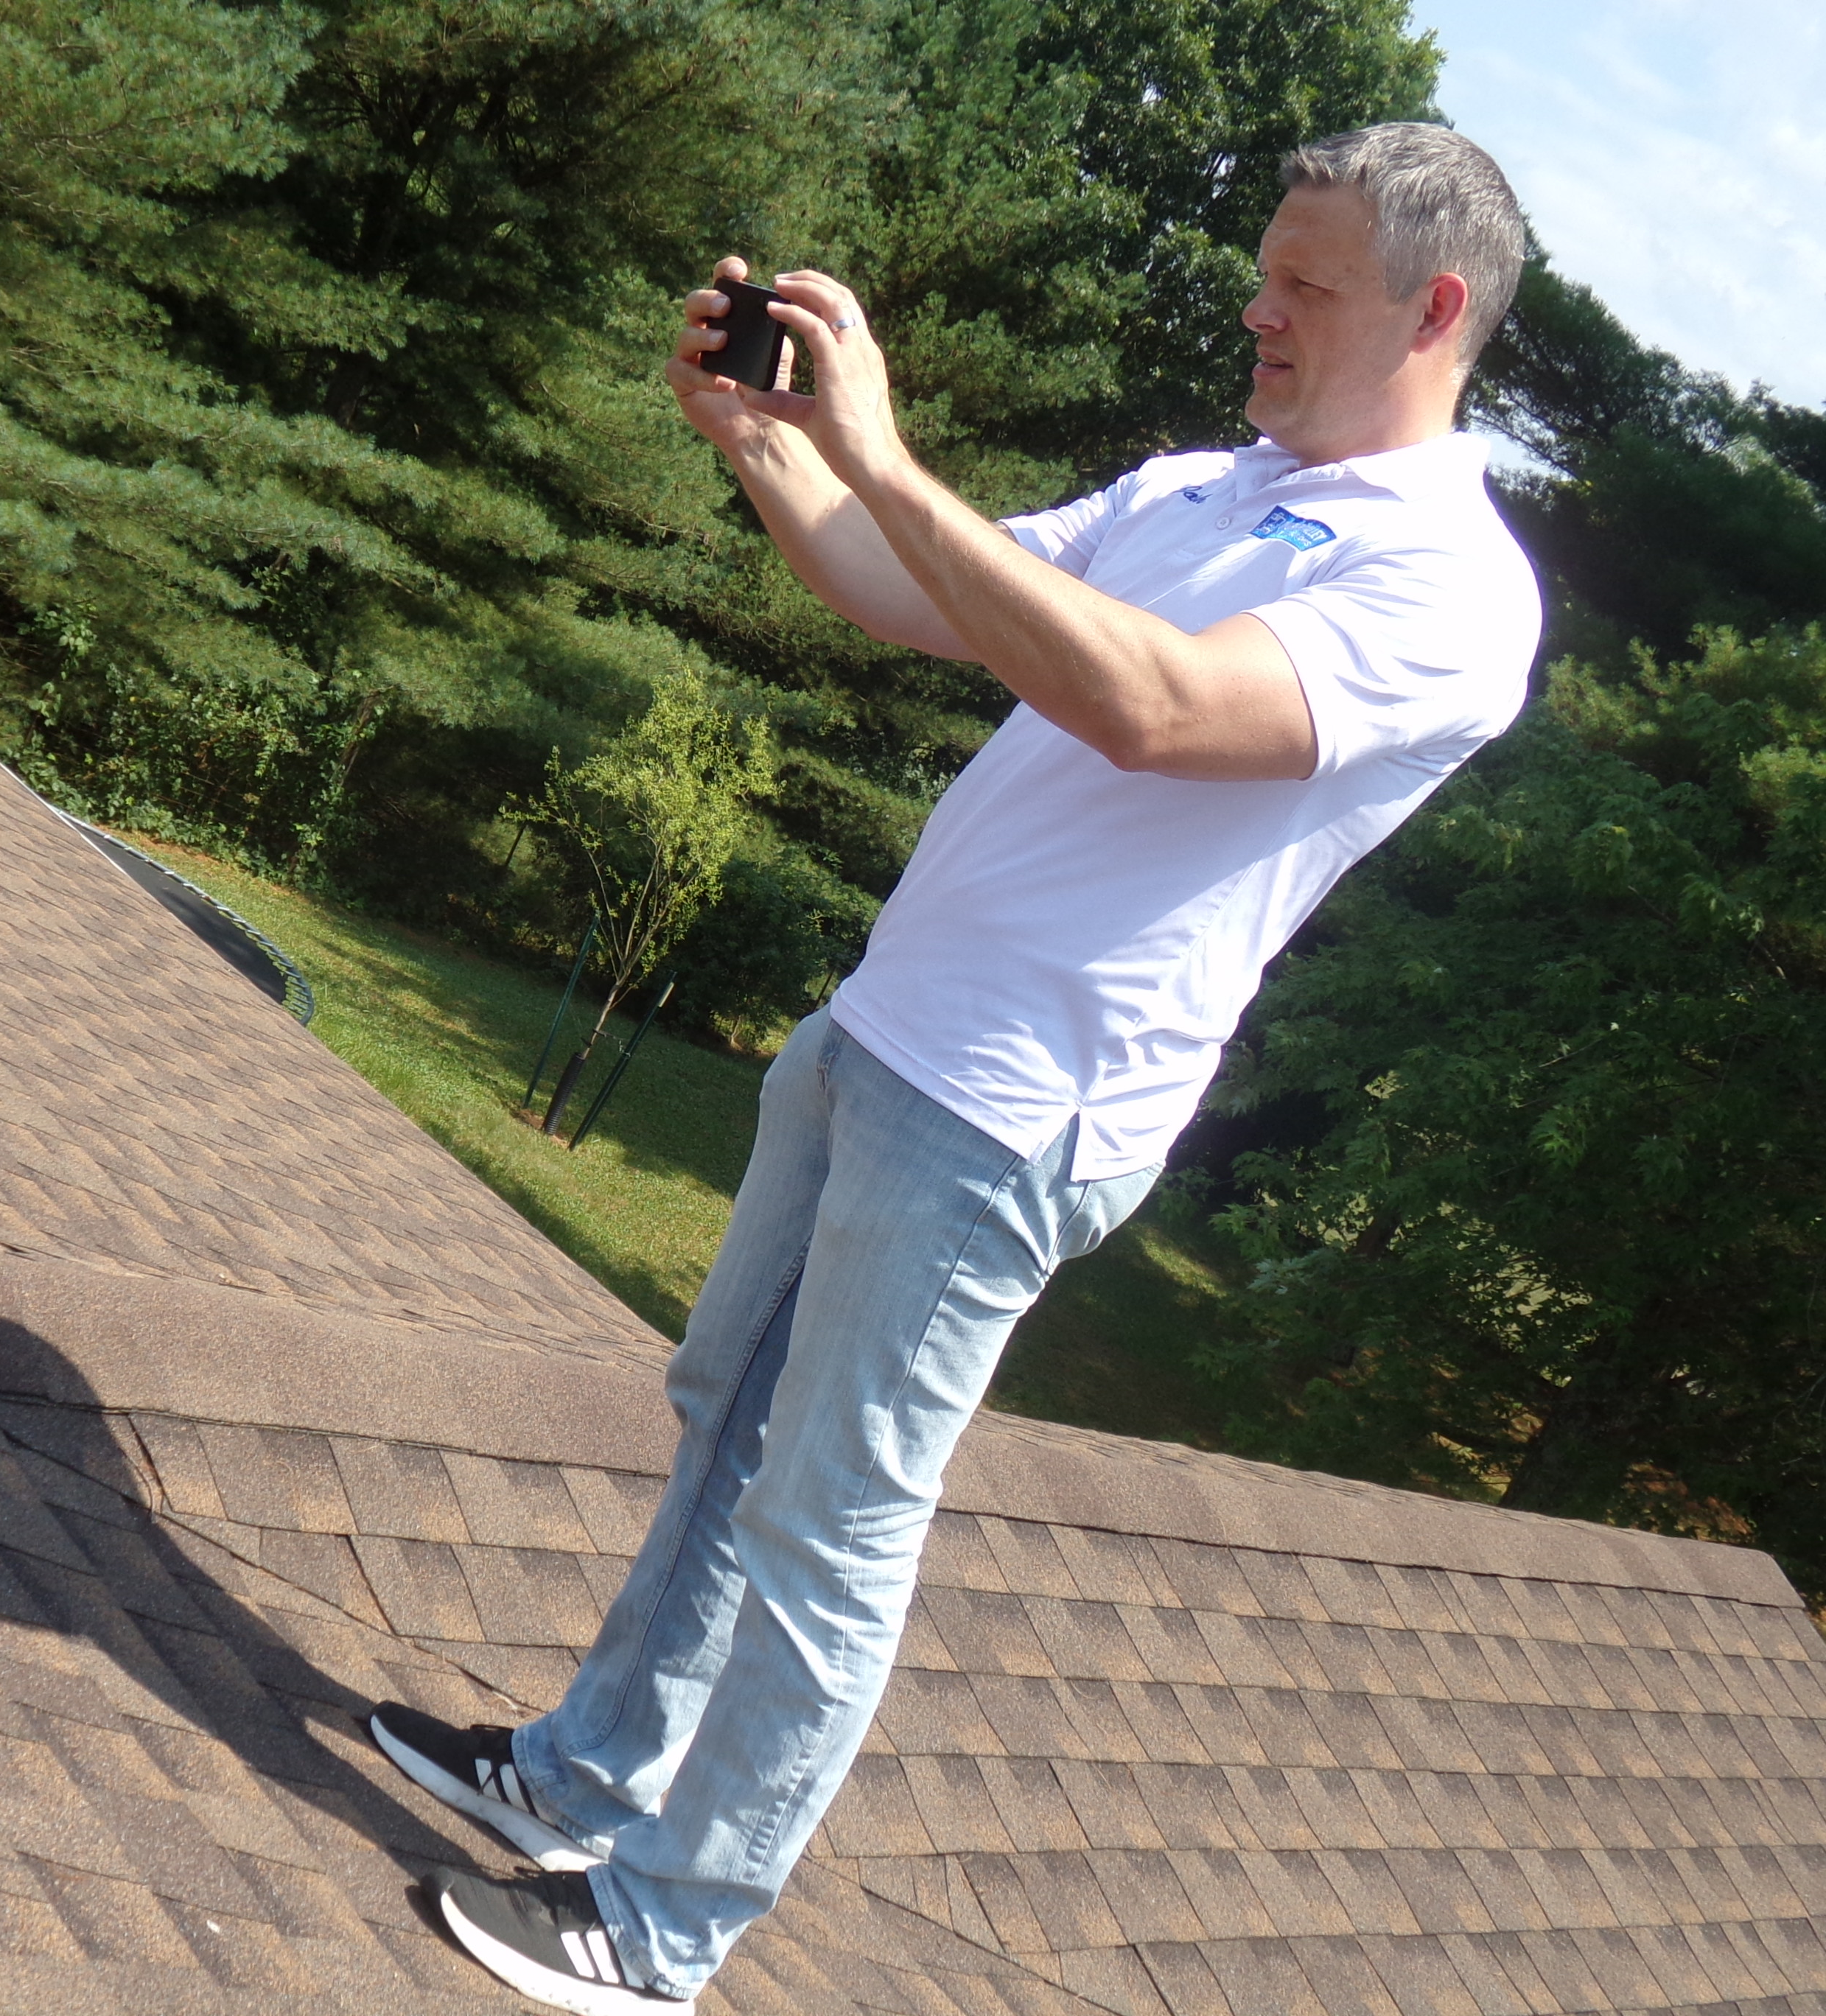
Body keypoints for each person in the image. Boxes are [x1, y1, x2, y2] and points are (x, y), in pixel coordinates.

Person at [369, 122, 1542, 2012]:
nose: (1256, 308)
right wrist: (774, 447)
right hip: (883, 1033)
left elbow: (1150, 706)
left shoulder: (1457, 594)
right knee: (726, 1428)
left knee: (830, 1522)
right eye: (1264, 268)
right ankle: (583, 1777)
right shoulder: (1209, 480)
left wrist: (888, 450)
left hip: (1016, 1112)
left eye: (1303, 287)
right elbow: (924, 587)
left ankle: (667, 1929)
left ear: (1434, 308)